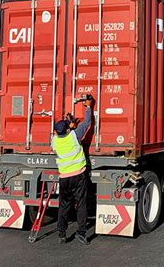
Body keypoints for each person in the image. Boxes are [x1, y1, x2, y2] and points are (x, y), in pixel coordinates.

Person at [52, 95, 94, 245]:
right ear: (68, 129)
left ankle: (62, 234)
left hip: (64, 178)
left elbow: (61, 131)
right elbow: (87, 123)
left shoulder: (55, 141)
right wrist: (88, 107)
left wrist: (67, 123)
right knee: (81, 204)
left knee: (63, 206)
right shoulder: (75, 136)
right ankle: (81, 233)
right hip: (78, 176)